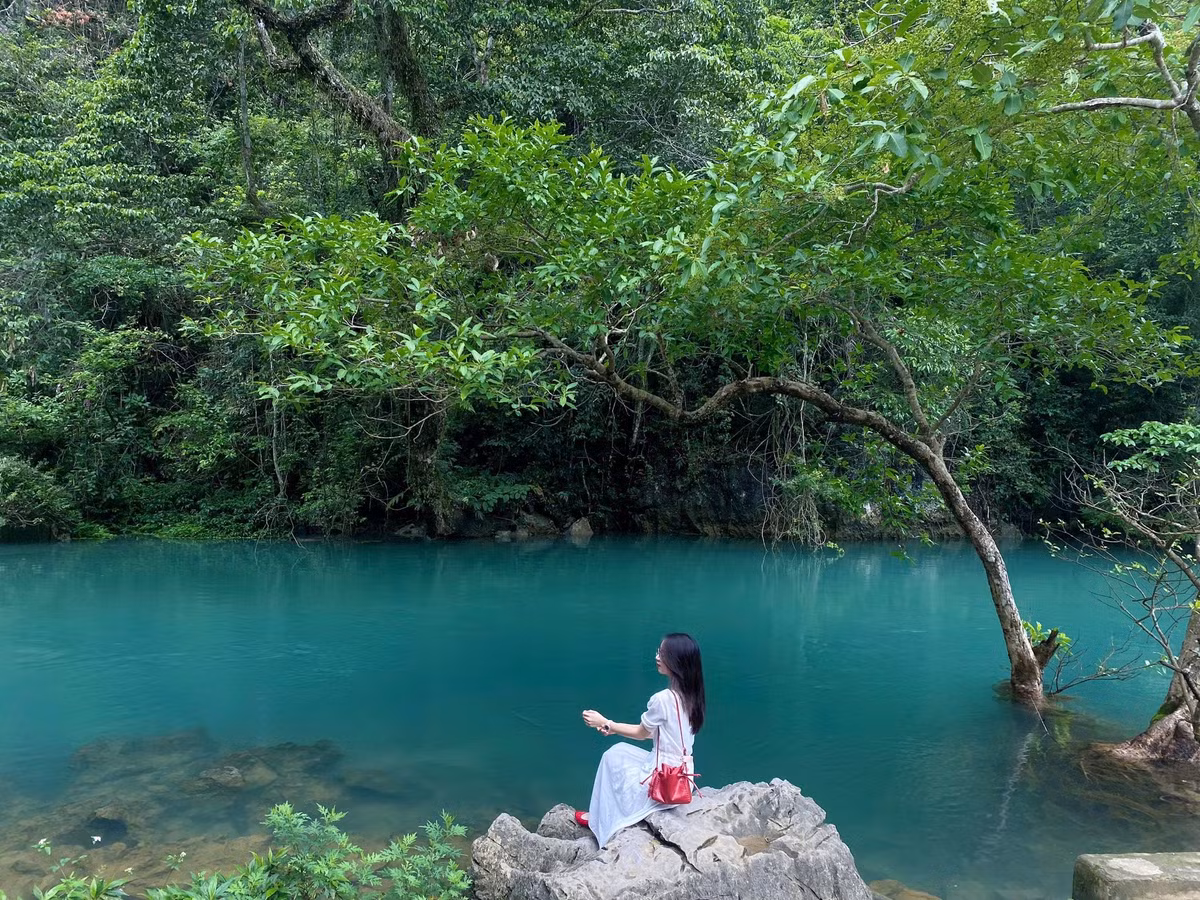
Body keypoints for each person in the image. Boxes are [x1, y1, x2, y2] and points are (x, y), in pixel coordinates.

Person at [576, 632, 706, 847]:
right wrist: (614, 729)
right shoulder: (693, 696)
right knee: (621, 751)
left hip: (664, 783)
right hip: (685, 778)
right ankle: (599, 816)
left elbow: (641, 733)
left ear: (676, 661)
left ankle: (598, 819)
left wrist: (605, 721)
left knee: (612, 756)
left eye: (662, 653)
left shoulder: (662, 699)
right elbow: (656, 734)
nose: (657, 656)